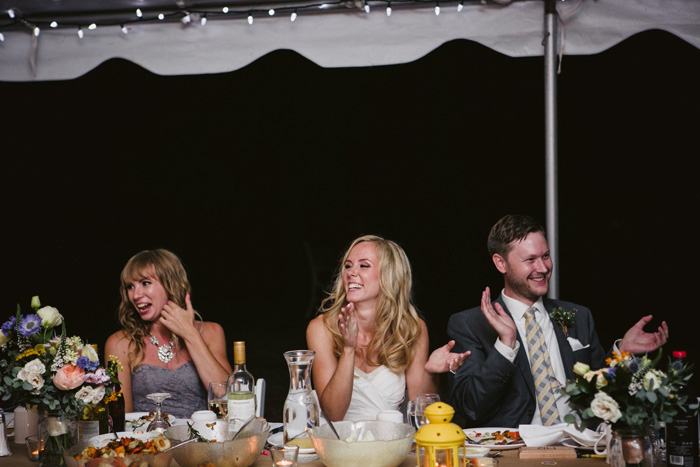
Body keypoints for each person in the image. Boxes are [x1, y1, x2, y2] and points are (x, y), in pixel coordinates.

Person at [447, 214, 669, 428]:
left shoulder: (578, 316)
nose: (543, 268)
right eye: (530, 260)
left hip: (578, 445)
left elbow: (599, 391)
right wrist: (506, 344)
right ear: (501, 263)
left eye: (545, 256)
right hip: (515, 451)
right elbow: (471, 408)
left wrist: (622, 352)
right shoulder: (470, 324)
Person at [307, 234, 469, 422]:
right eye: (348, 265)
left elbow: (422, 414)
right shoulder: (322, 328)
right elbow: (333, 413)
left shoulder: (412, 328)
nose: (351, 272)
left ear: (388, 274)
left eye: (364, 265)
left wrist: (430, 373)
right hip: (340, 446)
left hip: (392, 445)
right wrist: (348, 349)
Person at [105, 249, 232, 419]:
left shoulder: (212, 332)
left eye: (145, 283)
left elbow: (226, 397)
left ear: (170, 284)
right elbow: (120, 419)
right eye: (130, 286)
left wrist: (189, 334)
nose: (135, 295)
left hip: (202, 440)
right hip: (147, 441)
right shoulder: (119, 343)